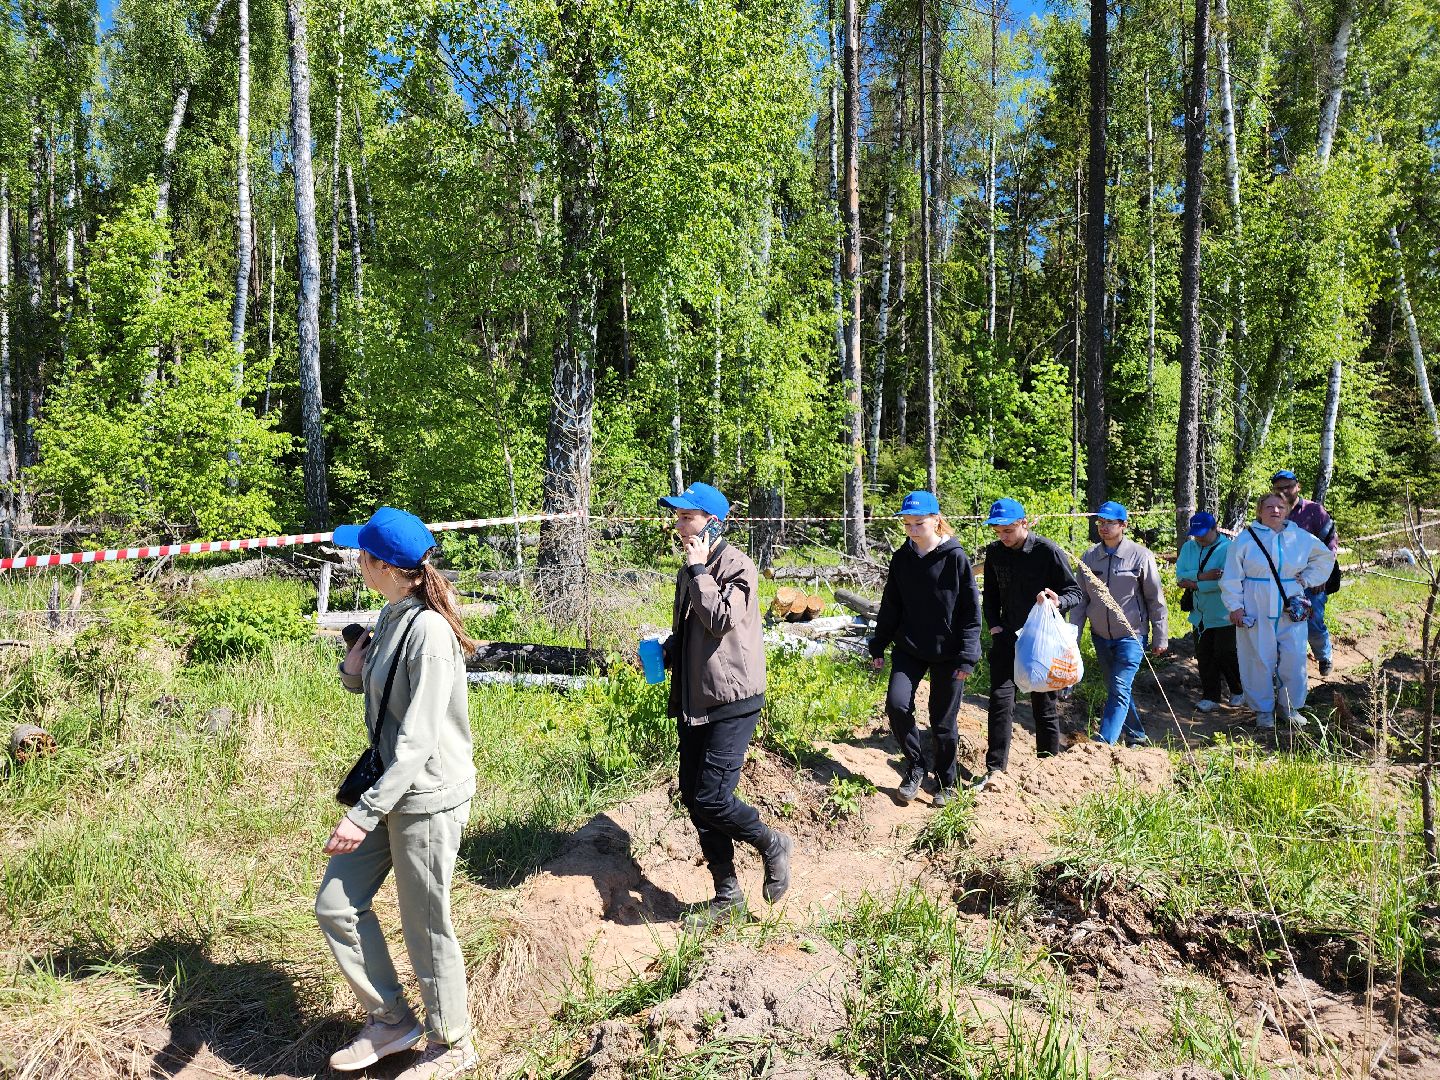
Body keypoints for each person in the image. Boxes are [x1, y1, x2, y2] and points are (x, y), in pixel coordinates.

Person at [315, 507, 480, 1079]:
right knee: (336, 904)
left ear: (383, 565)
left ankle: (451, 1043)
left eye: (361, 553)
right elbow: (386, 700)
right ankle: (391, 1021)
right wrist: (355, 670)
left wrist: (363, 814)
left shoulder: (430, 632)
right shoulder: (392, 614)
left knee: (425, 920)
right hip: (393, 789)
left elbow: (418, 738)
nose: (353, 560)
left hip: (426, 796)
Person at [659, 482, 793, 927]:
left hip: (733, 699)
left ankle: (772, 842)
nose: (678, 524)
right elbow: (696, 630)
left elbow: (719, 619)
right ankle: (727, 896)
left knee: (713, 798)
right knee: (694, 799)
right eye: (677, 516)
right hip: (695, 698)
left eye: (686, 516)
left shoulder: (736, 565)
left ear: (712, 521)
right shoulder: (690, 569)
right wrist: (670, 649)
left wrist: (699, 570)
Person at [868, 491, 982, 807]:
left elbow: (971, 612)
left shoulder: (955, 557)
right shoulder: (902, 558)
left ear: (935, 520)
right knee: (897, 704)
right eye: (907, 524)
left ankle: (947, 782)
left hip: (949, 651)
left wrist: (968, 655)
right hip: (910, 646)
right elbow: (891, 605)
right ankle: (917, 765)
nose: (913, 530)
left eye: (919, 523)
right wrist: (878, 644)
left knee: (942, 720)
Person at [978, 497, 1084, 790]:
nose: (1003, 536)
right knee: (1000, 702)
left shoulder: (1047, 551)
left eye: (1008, 530)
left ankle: (1048, 768)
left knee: (1044, 703)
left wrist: (1057, 600)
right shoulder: (995, 553)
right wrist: (995, 626)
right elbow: (991, 593)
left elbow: (1075, 592)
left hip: (1042, 641)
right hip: (1008, 636)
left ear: (1024, 522)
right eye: (998, 531)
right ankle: (995, 770)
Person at [1220, 493, 1336, 730]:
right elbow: (1231, 574)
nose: (1275, 510)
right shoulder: (1245, 540)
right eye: (1269, 506)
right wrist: (1235, 606)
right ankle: (1263, 710)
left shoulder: (1300, 537)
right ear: (1259, 511)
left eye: (1280, 506)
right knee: (1258, 659)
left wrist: (1307, 579)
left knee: (1294, 658)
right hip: (1255, 604)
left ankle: (1289, 707)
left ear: (1287, 510)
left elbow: (1325, 557)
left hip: (1290, 604)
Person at [1070, 501, 1168, 746]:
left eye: (1109, 523)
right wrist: (1073, 637)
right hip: (1101, 636)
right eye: (1100, 523)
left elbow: (1155, 599)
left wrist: (1160, 636)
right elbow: (1080, 600)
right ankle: (1136, 735)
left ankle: (1104, 742)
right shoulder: (1090, 557)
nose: (1103, 527)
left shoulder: (1140, 556)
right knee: (1117, 688)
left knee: (1120, 685)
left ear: (1123, 525)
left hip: (1132, 635)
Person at [1271, 469, 1340, 676]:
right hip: (1282, 579)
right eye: (1279, 487)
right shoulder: (1272, 511)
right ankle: (1288, 667)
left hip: (1312, 578)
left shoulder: (1314, 511)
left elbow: (1330, 544)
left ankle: (1324, 655)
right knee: (1283, 622)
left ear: (1297, 486)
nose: (1284, 491)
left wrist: (1321, 576)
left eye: (1288, 486)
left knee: (1313, 620)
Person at [1175, 511, 1244, 712]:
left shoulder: (1229, 548)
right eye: (1196, 534)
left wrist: (1196, 584)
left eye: (1203, 533)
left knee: (1226, 653)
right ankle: (1210, 695)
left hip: (1223, 612)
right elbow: (1180, 576)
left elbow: (1226, 581)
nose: (1199, 538)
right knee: (1204, 655)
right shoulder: (1189, 547)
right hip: (1199, 614)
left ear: (1215, 528)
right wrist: (1203, 576)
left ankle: (1238, 690)